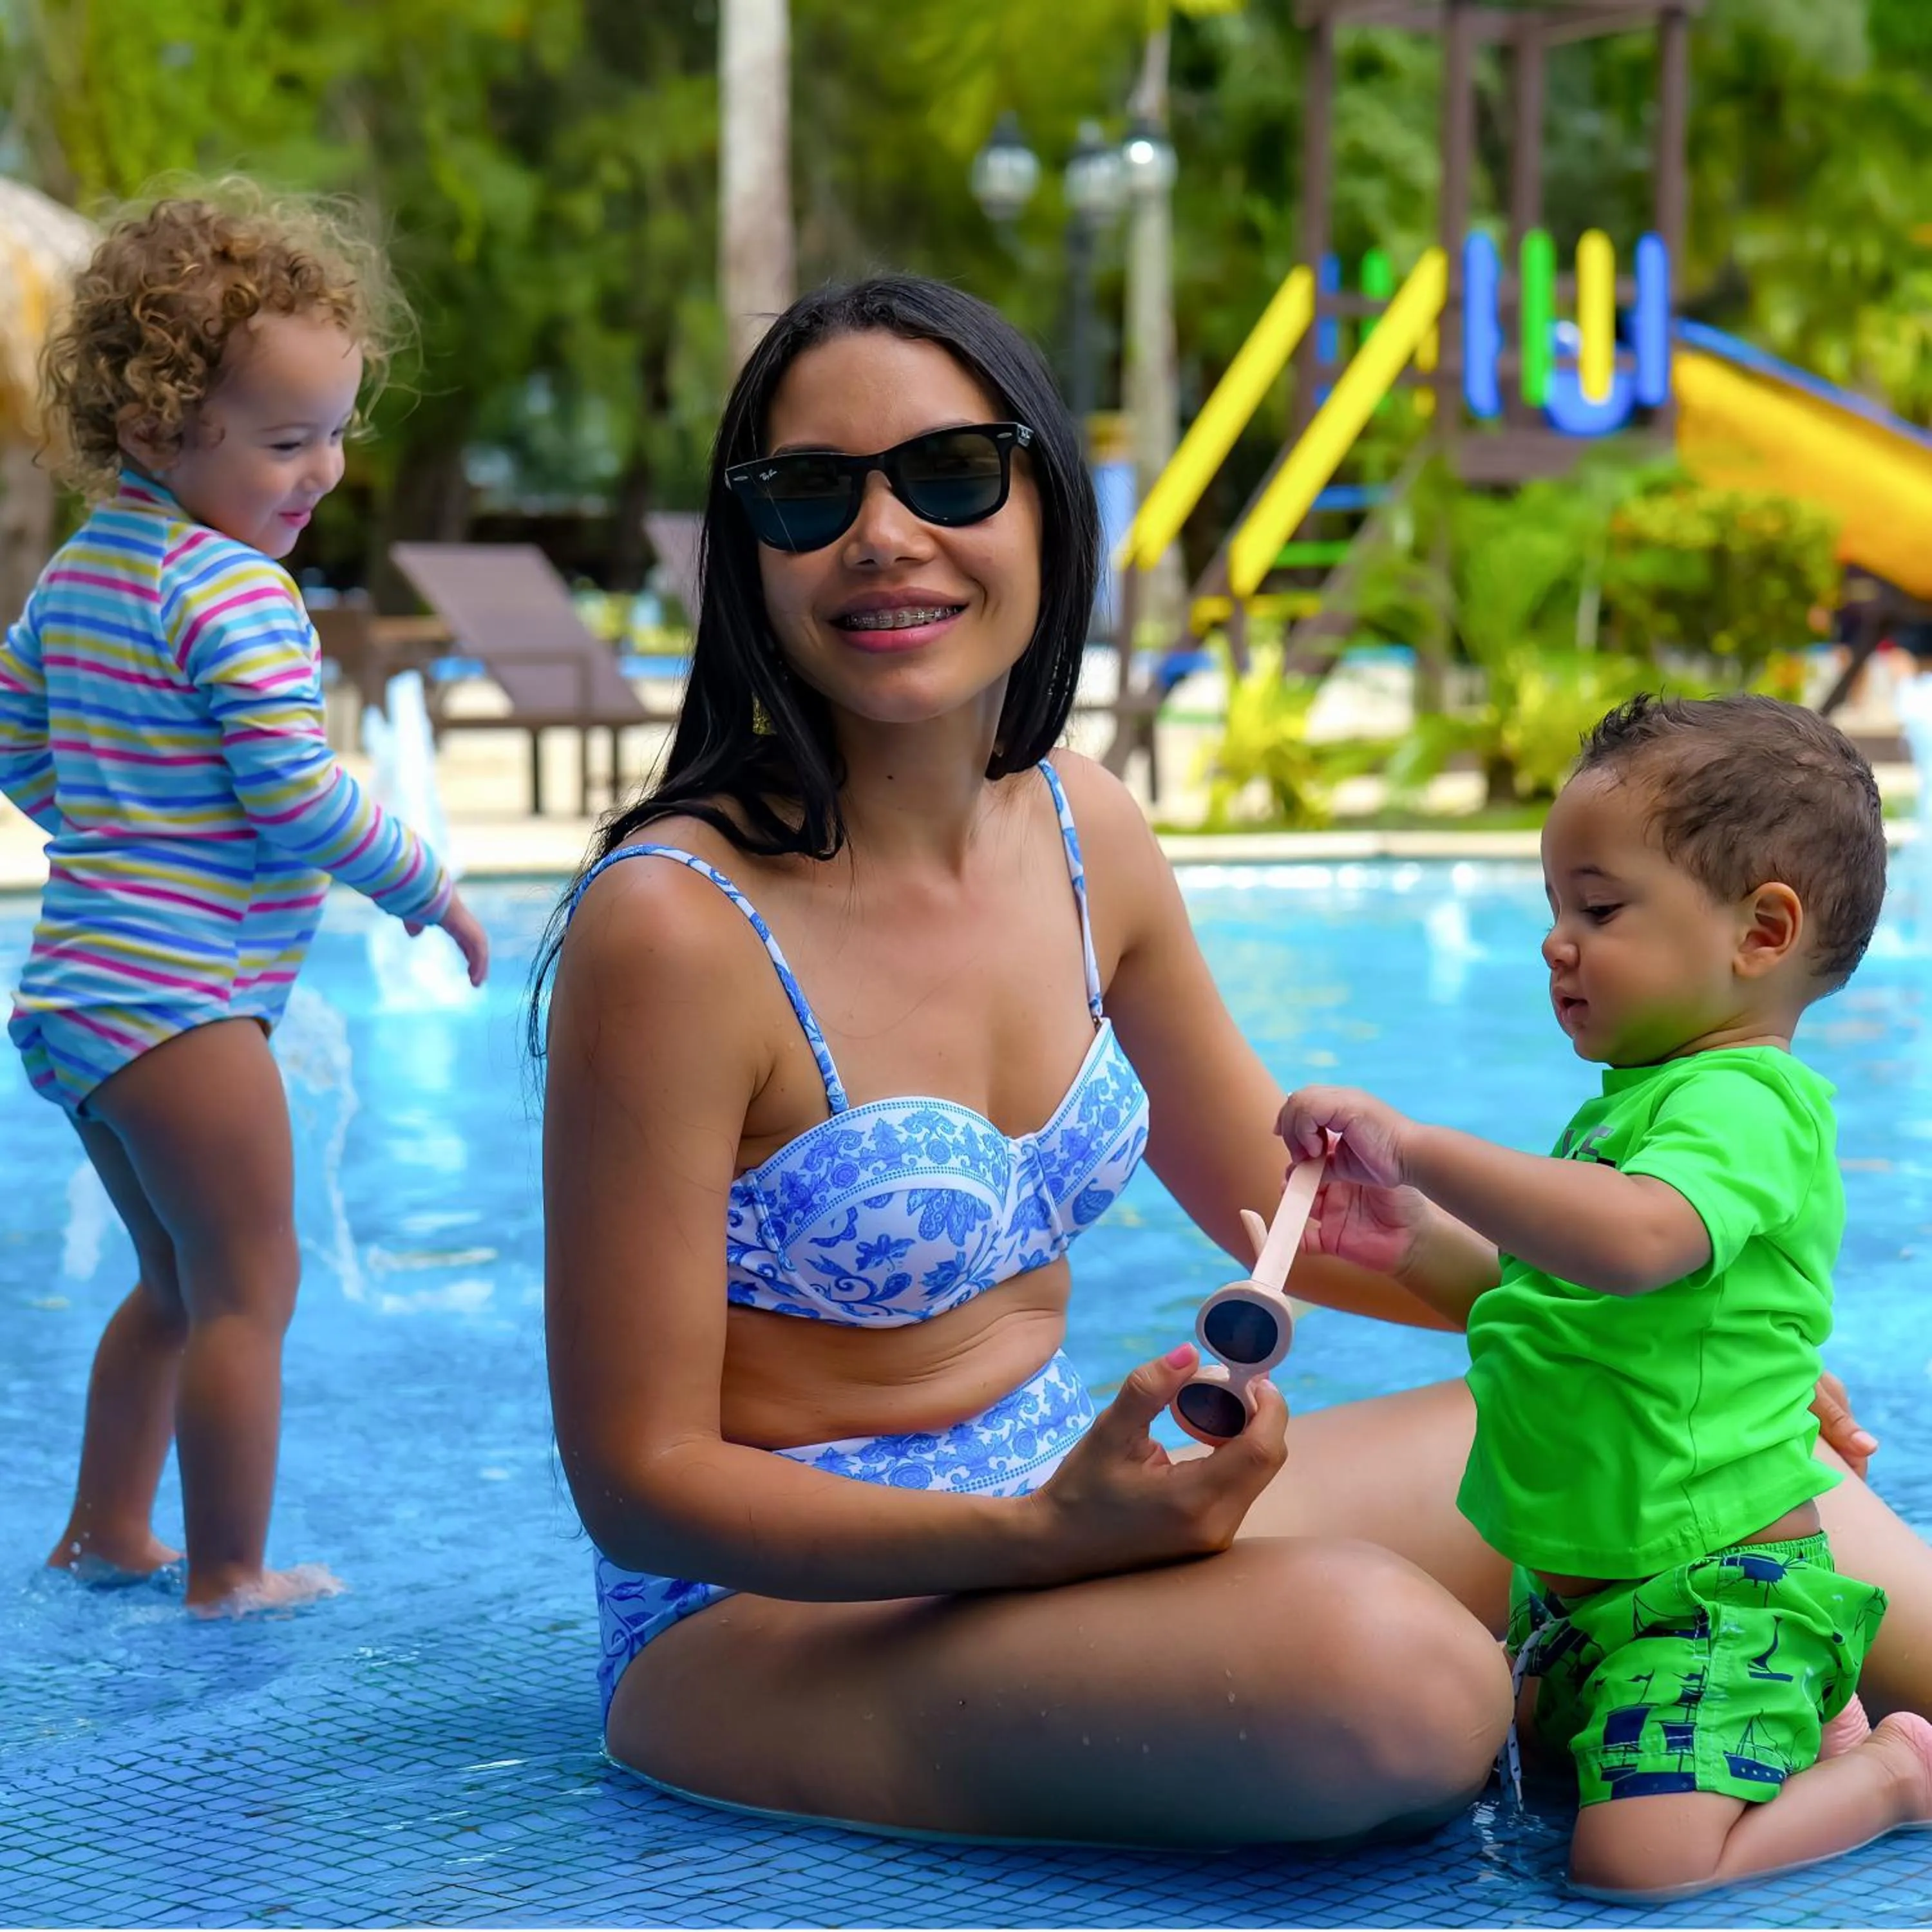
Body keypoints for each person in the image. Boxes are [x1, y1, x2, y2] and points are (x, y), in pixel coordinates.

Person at [536, 273, 1932, 1848]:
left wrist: (1673, 1351)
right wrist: (1046, 1533)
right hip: (779, 1611)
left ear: (1046, 513)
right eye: (811, 493)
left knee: (1686, 1457)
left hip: (1073, 1501)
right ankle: (1602, 1703)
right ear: (752, 551)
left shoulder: (1083, 827)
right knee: (1401, 1688)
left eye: (947, 474)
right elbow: (639, 1478)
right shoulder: (673, 930)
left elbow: (1279, 1198)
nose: (882, 535)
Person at [1281, 694, 1932, 1895]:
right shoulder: (1638, 1107)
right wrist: (1410, 1239)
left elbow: (1635, 1246)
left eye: (1601, 907)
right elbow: (1551, 1294)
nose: (1554, 941)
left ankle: (1892, 1775)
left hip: (1715, 1594)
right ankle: (1797, 1739)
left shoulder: (1746, 1106)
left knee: (1636, 1866)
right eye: (1554, 907)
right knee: (1516, 1772)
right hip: (1583, 1593)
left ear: (1762, 930)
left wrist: (1419, 1147)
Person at [0, 187, 490, 1613]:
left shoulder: (85, 568)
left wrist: (114, 821)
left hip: (82, 1001)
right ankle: (226, 1571)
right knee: (248, 1294)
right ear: (157, 428)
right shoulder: (235, 593)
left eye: (337, 431)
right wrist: (428, 888)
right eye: (287, 442)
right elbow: (298, 796)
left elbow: (18, 740)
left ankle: (106, 1534)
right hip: (185, 1004)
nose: (325, 470)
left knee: (169, 1282)